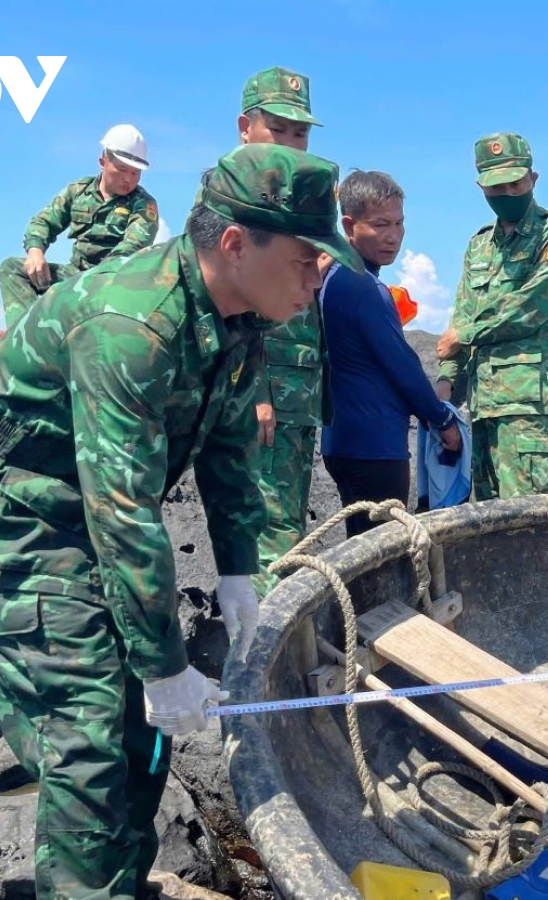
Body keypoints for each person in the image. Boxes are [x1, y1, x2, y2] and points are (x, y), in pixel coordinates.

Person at [0, 144, 357, 900]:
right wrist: (161, 663)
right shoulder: (132, 324)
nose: (319, 273)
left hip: (87, 510)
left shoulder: (245, 316)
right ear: (233, 243)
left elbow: (226, 449)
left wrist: (236, 571)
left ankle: (113, 886)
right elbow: (122, 512)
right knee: (87, 743)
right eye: (306, 255)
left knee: (145, 739)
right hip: (6, 518)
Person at [237, 65, 346, 595]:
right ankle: (264, 658)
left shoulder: (302, 201)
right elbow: (224, 312)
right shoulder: (229, 199)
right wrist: (254, 392)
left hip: (299, 401)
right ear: (246, 129)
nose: (290, 143)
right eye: (277, 130)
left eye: (299, 133)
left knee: (289, 527)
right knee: (268, 533)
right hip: (263, 404)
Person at [436, 132, 548, 501]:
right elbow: (462, 310)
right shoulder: (479, 244)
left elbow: (530, 306)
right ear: (481, 188)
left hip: (527, 402)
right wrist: (447, 384)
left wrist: (465, 334)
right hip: (483, 406)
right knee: (486, 522)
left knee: (527, 517)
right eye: (497, 188)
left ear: (533, 179)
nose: (508, 194)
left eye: (516, 183)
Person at [318, 169, 461, 535]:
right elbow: (401, 366)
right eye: (380, 225)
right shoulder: (362, 286)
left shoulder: (331, 277)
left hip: (342, 439)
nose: (393, 236)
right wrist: (441, 420)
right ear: (349, 225)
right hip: (374, 446)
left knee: (361, 551)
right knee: (382, 560)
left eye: (399, 223)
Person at [0, 124, 158, 329]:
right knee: (11, 268)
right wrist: (35, 251)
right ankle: (24, 334)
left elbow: (131, 248)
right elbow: (43, 222)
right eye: (122, 169)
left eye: (136, 173)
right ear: (103, 162)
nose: (128, 179)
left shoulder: (143, 204)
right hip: (74, 277)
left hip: (112, 283)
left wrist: (90, 281)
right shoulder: (78, 191)